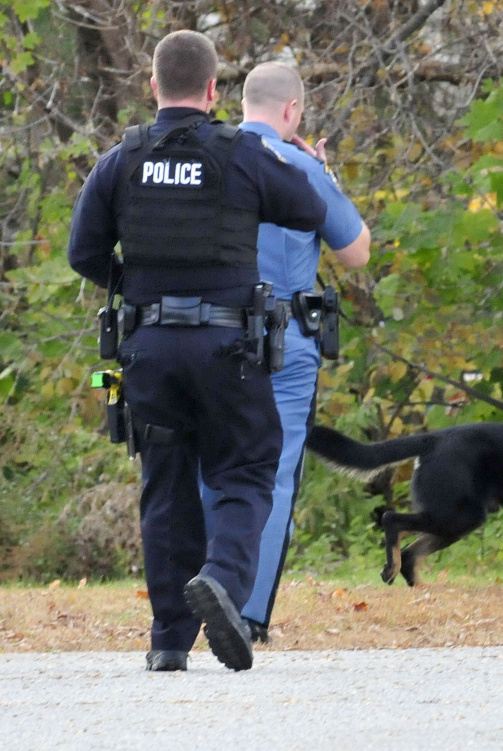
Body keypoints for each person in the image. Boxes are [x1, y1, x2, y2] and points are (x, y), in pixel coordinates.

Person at [68, 30, 328, 672]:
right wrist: (294, 159)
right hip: (229, 347)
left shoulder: (121, 159)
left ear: (153, 87)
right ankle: (222, 580)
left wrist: (141, 291)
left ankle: (167, 643)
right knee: (245, 470)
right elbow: (309, 209)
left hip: (147, 351)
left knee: (166, 483)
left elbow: (83, 252)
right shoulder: (239, 153)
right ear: (214, 91)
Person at [201, 62, 370, 644]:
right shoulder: (298, 166)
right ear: (292, 111)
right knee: (271, 473)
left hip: (208, 334)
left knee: (210, 464)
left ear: (238, 101)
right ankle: (245, 612)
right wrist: (326, 173)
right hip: (283, 343)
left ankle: (205, 583)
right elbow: (357, 252)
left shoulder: (208, 159)